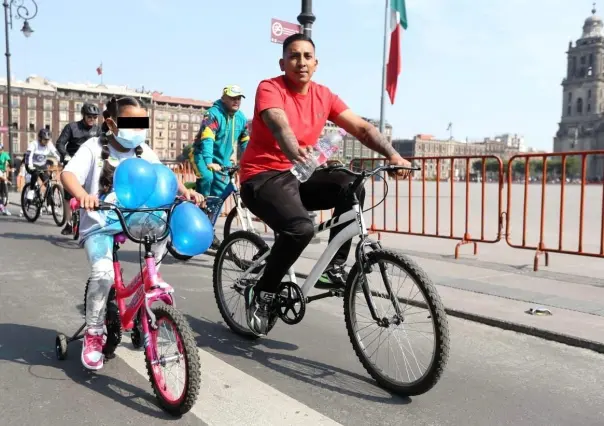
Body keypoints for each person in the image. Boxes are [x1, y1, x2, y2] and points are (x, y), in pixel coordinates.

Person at [238, 33, 413, 336]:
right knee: (301, 229)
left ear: (316, 64)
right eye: (294, 56)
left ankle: (333, 268)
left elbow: (361, 127)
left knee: (353, 185)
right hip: (262, 176)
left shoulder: (324, 95)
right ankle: (264, 292)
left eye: (307, 56)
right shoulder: (270, 88)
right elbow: (279, 124)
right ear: (283, 62)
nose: (301, 62)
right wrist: (295, 151)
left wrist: (394, 154)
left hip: (300, 174)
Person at [61, 96, 203, 371]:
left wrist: (186, 193)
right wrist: (82, 195)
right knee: (102, 275)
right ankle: (93, 334)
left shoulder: (143, 150)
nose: (137, 130)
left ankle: (151, 279)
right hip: (100, 222)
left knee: (163, 228)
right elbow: (68, 175)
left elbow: (166, 177)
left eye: (141, 124)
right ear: (111, 123)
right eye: (131, 123)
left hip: (134, 219)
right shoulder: (93, 147)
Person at [189, 85, 250, 247]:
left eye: (239, 98)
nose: (236, 101)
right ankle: (199, 207)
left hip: (222, 162)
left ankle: (208, 229)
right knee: (207, 176)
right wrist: (209, 161)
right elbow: (207, 138)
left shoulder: (241, 118)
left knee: (219, 196)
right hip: (200, 154)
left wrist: (246, 162)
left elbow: (245, 142)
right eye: (232, 98)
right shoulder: (213, 114)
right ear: (224, 98)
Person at [56, 102, 101, 235]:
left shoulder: (98, 130)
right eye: (89, 116)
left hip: (90, 163)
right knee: (69, 195)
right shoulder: (71, 127)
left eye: (94, 117)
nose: (92, 119)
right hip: (73, 161)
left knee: (92, 191)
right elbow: (60, 143)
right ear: (83, 115)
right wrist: (65, 155)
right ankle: (69, 223)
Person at [24, 129, 60, 213]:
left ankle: (49, 205)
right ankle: (31, 191)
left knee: (49, 184)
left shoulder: (49, 144)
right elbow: (28, 155)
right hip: (30, 164)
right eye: (45, 139)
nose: (46, 141)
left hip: (41, 165)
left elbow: (56, 153)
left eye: (48, 139)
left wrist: (61, 160)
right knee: (35, 172)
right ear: (40, 138)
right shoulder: (34, 144)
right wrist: (30, 165)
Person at [0, 142, 11, 215]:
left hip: (3, 173)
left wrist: (7, 176)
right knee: (1, 192)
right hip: (1, 173)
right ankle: (2, 208)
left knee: (5, 193)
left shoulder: (5, 155)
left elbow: (8, 164)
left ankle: (4, 208)